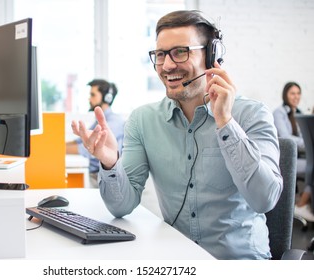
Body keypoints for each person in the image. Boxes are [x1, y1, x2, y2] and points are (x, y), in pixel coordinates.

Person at [71, 10, 282, 259]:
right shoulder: (143, 120)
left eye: (180, 51)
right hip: (177, 262)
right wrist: (110, 162)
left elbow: (265, 199)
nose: (168, 65)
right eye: (160, 54)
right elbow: (122, 206)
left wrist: (226, 123)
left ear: (211, 55)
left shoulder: (252, 114)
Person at [66, 79, 125, 188]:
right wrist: (57, 146)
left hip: (106, 179)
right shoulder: (100, 120)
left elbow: (88, 148)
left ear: (107, 98)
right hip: (95, 175)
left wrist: (55, 150)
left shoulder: (113, 122)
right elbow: (80, 140)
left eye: (93, 95)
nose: (89, 98)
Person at [273, 82, 314, 221]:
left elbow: (303, 138)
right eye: (292, 93)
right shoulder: (279, 113)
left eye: (298, 93)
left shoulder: (299, 113)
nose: (296, 97)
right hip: (285, 161)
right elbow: (286, 138)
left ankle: (304, 201)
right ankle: (302, 203)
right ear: (285, 95)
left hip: (297, 157)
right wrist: (308, 143)